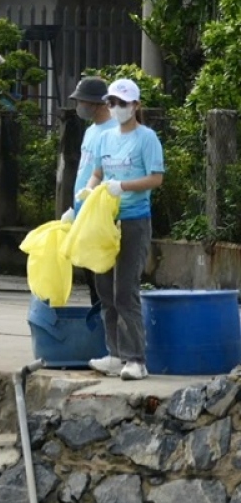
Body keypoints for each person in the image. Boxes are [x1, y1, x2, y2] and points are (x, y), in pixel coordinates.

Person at [83, 78, 164, 382]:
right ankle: (115, 354)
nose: (115, 108)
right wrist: (90, 190)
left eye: (122, 103)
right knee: (104, 289)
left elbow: (156, 178)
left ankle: (136, 359)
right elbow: (97, 172)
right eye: (112, 103)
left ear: (135, 106)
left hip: (134, 219)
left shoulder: (147, 139)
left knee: (125, 291)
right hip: (106, 220)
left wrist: (123, 186)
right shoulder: (106, 139)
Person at [64, 76, 113, 305]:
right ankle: (99, 315)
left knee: (101, 271)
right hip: (83, 207)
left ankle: (108, 326)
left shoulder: (113, 131)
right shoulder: (92, 130)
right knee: (86, 268)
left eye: (82, 101)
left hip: (100, 211)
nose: (79, 106)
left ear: (97, 103)